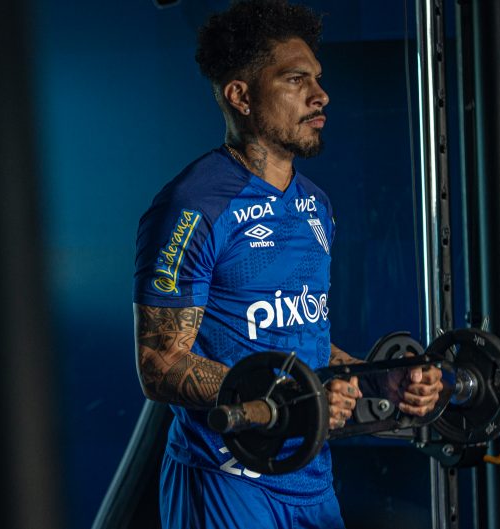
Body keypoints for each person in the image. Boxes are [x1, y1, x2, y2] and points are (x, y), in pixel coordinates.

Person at [133, 1, 443, 527]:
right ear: (241, 96)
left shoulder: (314, 204)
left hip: (309, 477)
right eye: (296, 80)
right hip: (226, 482)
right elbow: (159, 364)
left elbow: (301, 341)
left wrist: (378, 381)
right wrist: (295, 395)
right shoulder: (192, 206)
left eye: (317, 79)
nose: (320, 95)